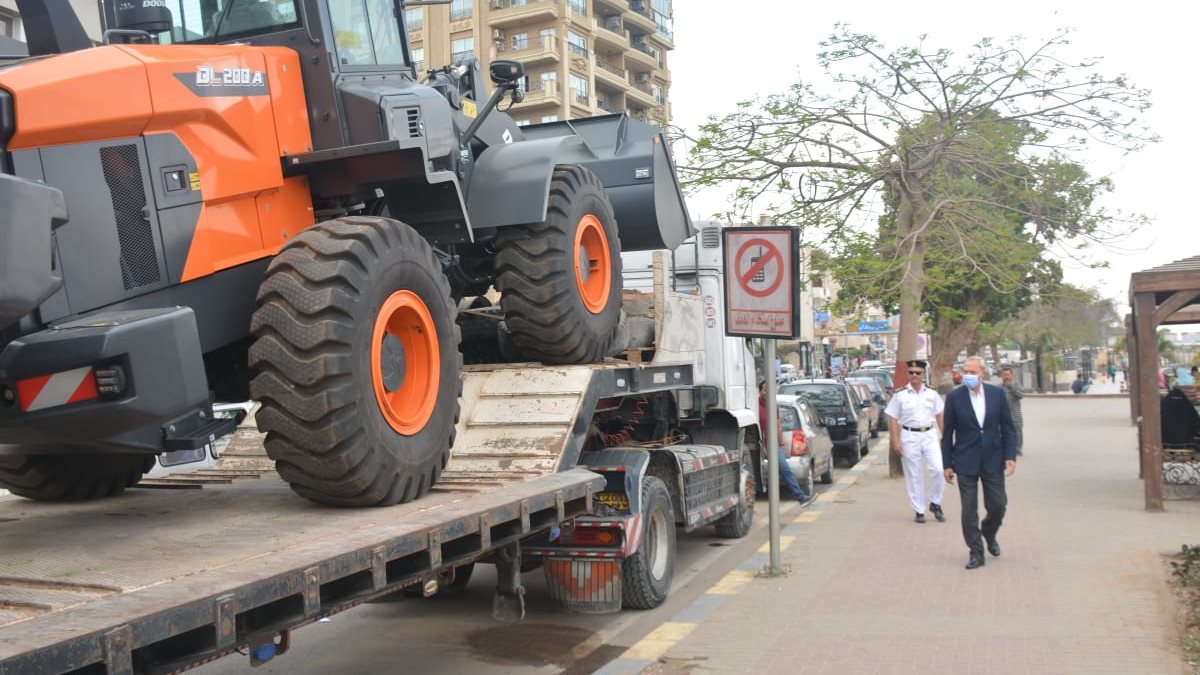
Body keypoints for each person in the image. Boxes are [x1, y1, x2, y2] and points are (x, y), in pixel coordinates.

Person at [941, 356, 1018, 570]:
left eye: (973, 372)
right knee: (968, 509)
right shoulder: (955, 398)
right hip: (965, 460)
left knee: (998, 504)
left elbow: (1008, 428)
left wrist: (1010, 456)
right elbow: (947, 434)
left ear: (982, 374)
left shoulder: (997, 395)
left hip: (993, 458)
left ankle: (989, 532)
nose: (968, 376)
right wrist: (947, 464)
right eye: (966, 371)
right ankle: (976, 551)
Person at [884, 360, 946, 523]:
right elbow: (892, 417)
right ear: (907, 375)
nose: (914, 376)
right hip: (910, 436)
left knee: (938, 469)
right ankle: (919, 510)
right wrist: (895, 442)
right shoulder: (900, 395)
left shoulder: (932, 393)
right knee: (914, 474)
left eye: (918, 373)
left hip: (929, 434)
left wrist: (945, 437)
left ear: (923, 375)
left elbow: (939, 414)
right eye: (911, 372)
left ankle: (935, 502)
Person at [758, 381, 814, 505]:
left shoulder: (774, 406)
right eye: (764, 390)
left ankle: (801, 498)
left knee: (785, 470)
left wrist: (781, 442)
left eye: (769, 390)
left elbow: (778, 424)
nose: (767, 393)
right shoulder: (755, 405)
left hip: (772, 445)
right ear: (760, 391)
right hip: (758, 446)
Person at [1001, 367, 1025, 456]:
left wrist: (1011, 388)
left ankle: (1017, 449)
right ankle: (1005, 448)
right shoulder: (999, 387)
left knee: (1017, 432)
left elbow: (1021, 395)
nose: (1006, 377)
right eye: (1004, 375)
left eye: (1008, 375)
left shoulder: (1016, 384)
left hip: (1015, 414)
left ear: (1012, 375)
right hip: (1003, 414)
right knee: (1003, 432)